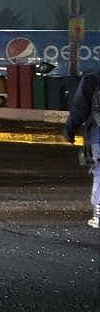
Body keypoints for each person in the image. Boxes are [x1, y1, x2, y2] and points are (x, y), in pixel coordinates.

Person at [64, 71, 100, 228]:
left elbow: (80, 107)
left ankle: (99, 213)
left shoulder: (92, 79)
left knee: (99, 172)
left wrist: (70, 129)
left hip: (98, 134)